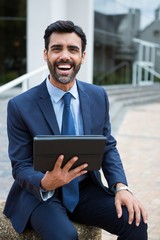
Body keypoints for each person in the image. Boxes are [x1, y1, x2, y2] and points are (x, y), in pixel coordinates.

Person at [3, 20, 148, 240]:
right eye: (56, 49)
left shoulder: (98, 96)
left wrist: (121, 187)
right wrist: (45, 182)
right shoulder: (20, 106)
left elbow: (107, 146)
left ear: (83, 56)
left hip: (85, 190)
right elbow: (20, 165)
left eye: (72, 49)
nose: (65, 56)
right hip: (41, 195)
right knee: (65, 236)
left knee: (135, 221)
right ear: (45, 54)